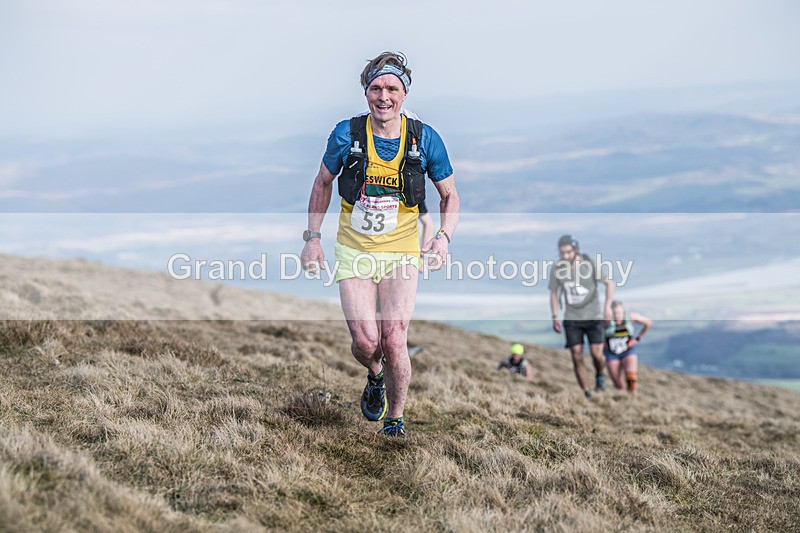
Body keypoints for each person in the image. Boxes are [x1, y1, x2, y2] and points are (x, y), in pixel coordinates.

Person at [300, 52, 460, 438]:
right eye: (376, 88)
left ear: (404, 94)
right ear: (366, 92)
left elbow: (450, 196)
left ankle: (396, 420)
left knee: (394, 337)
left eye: (392, 88)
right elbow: (322, 184)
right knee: (366, 341)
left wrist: (443, 238)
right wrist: (312, 240)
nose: (383, 96)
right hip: (354, 251)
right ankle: (374, 377)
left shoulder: (424, 139)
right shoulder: (347, 134)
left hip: (402, 253)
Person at [548, 235, 615, 399]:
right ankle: (587, 393)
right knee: (576, 355)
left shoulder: (588, 263)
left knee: (596, 355)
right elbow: (554, 293)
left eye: (568, 252)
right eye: (562, 253)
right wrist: (555, 316)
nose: (565, 256)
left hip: (594, 316)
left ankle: (600, 375)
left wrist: (607, 307)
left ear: (575, 249)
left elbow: (609, 283)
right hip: (571, 318)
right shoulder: (557, 268)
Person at [604, 301, 651, 393]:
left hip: (628, 351)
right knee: (618, 385)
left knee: (631, 377)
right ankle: (623, 399)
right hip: (611, 353)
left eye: (619, 313)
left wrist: (637, 339)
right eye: (615, 313)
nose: (617, 316)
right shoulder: (605, 321)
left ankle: (632, 398)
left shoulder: (630, 317)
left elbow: (648, 323)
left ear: (624, 312)